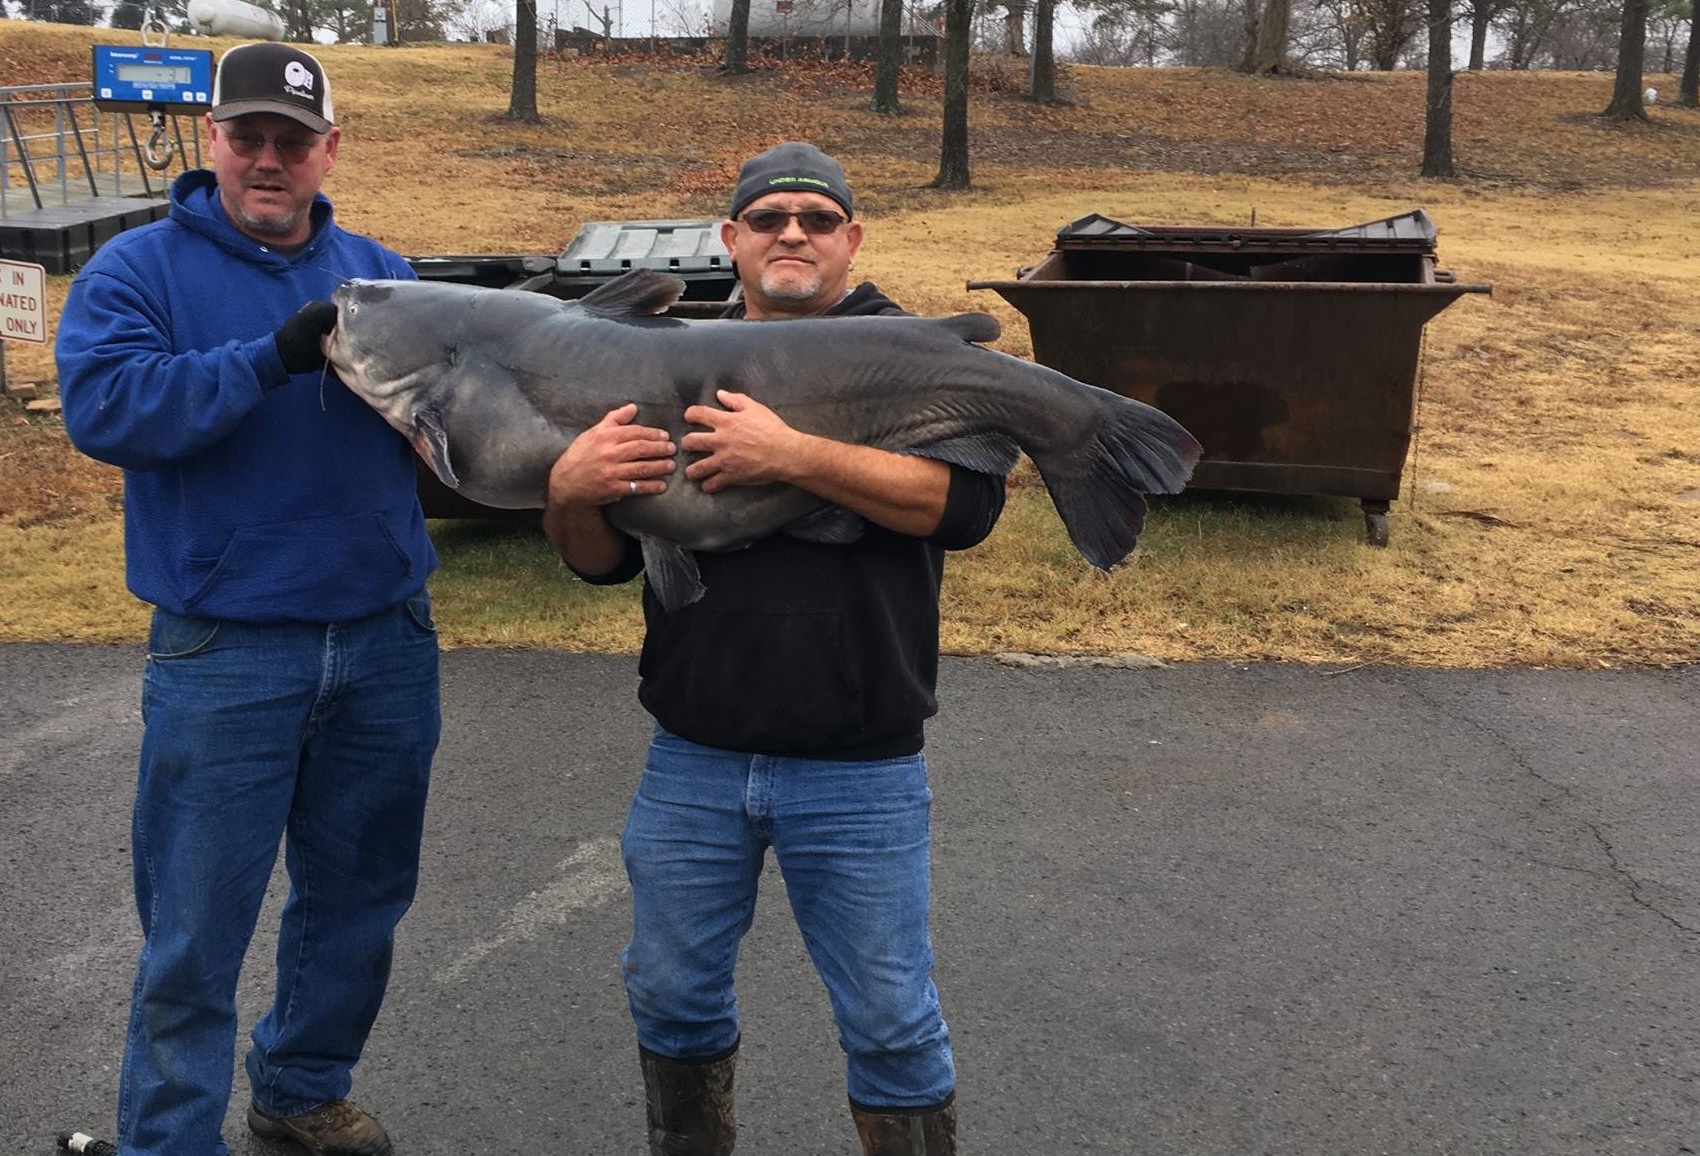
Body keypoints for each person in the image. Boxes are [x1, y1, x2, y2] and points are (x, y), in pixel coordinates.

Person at [542, 142, 1006, 1156]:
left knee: (891, 1022)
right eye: (767, 218)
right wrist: (569, 492)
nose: (792, 233)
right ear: (731, 239)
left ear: (852, 239)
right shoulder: (667, 361)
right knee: (669, 996)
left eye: (817, 218)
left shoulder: (900, 348)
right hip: (693, 752)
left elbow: (965, 507)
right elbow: (602, 563)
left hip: (860, 762)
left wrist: (791, 455)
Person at [54, 43, 437, 1156]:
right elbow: (109, 410)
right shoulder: (138, 271)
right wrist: (271, 357)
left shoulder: (385, 275)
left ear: (330, 149)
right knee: (195, 924)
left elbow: (449, 430)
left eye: (293, 141)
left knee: (360, 900)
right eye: (249, 136)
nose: (270, 159)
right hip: (225, 648)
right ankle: (170, 1139)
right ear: (212, 139)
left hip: (386, 636)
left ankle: (303, 1086)